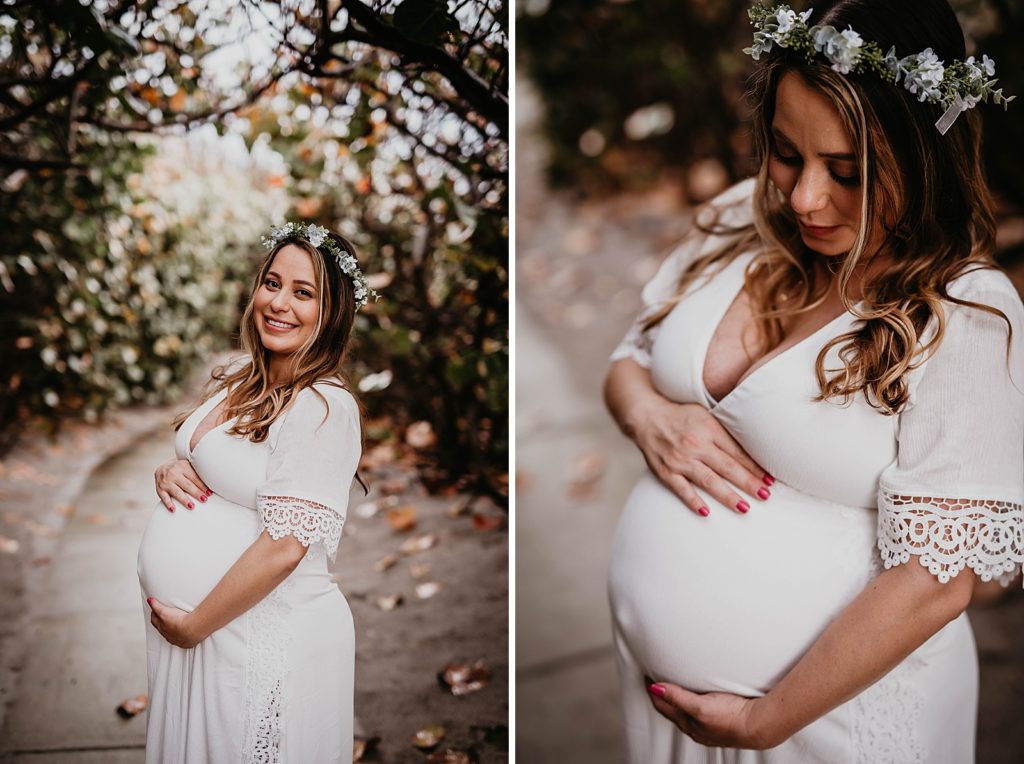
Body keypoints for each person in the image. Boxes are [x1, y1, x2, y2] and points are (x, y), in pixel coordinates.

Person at [603, 1, 1023, 761]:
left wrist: (765, 723)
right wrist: (647, 418)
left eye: (849, 172)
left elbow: (937, 579)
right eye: (787, 153)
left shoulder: (967, 313)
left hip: (829, 726)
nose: (803, 198)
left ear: (925, 158)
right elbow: (629, 357)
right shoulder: (742, 216)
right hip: (675, 718)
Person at [137, 222, 375, 763]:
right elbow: (220, 464)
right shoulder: (244, 377)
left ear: (332, 312)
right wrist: (167, 471)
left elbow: (285, 546)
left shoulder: (324, 406)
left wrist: (194, 626)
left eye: (303, 292)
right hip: (213, 638)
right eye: (272, 283)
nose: (279, 302)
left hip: (261, 639)